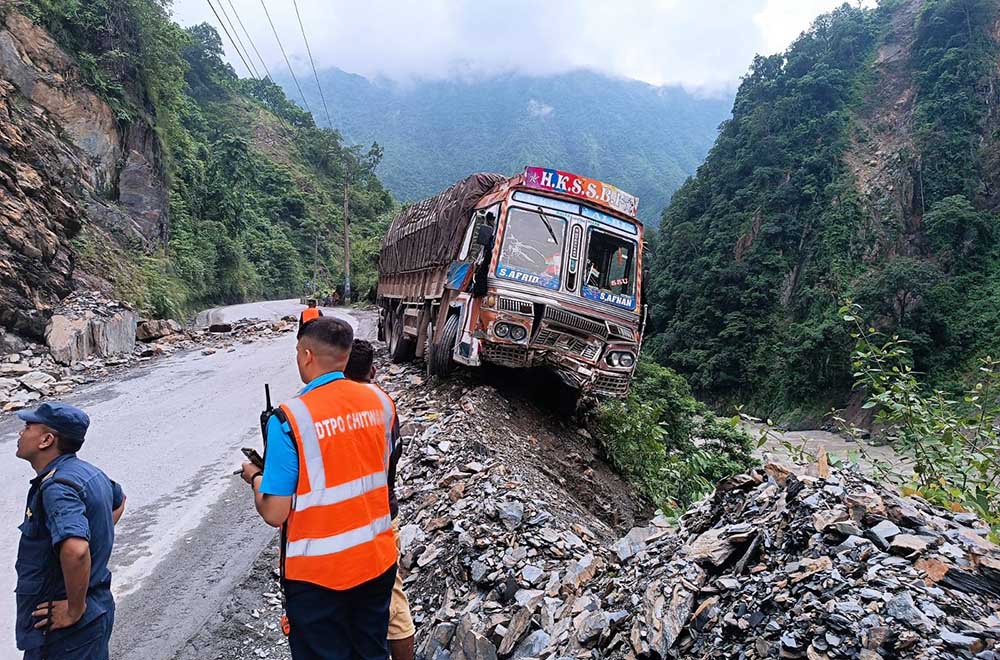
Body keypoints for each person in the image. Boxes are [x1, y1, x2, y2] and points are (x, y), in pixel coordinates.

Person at [241, 317, 397, 660]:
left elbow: (274, 511)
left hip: (318, 577)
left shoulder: (289, 419)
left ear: (307, 355)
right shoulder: (381, 402)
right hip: (377, 560)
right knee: (371, 651)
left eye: (298, 351)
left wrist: (254, 476)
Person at [14, 402, 126, 660]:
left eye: (28, 426)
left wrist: (74, 609)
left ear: (46, 440)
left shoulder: (58, 486)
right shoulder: (86, 472)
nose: (21, 432)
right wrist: (96, 536)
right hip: (95, 611)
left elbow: (76, 550)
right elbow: (119, 501)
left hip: (66, 629)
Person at [344, 340, 414, 660]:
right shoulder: (385, 406)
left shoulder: (336, 412)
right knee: (392, 601)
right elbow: (393, 456)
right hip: (385, 517)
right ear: (372, 371)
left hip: (345, 524)